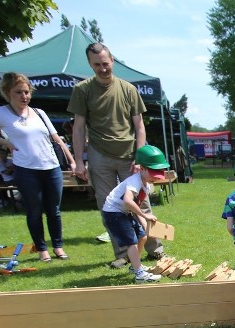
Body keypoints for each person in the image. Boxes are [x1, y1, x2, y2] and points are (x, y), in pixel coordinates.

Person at [67, 42, 164, 268]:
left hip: (130, 155)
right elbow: (78, 127)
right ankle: (122, 253)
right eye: (97, 65)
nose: (102, 68)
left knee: (142, 202)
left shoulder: (128, 89)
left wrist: (140, 158)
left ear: (112, 61)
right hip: (99, 155)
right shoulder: (82, 90)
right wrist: (79, 160)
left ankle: (155, 248)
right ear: (91, 65)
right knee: (110, 207)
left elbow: (139, 126)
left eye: (106, 63)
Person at [0, 73, 74, 262]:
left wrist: (72, 160)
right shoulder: (0, 113)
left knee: (54, 210)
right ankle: (42, 249)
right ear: (8, 93)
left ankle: (58, 247)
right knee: (34, 210)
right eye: (18, 92)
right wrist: (4, 141)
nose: (24, 96)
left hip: (51, 167)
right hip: (26, 170)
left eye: (26, 92)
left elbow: (56, 138)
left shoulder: (40, 113)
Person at [101, 145, 168, 284]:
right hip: (113, 213)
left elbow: (136, 204)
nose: (155, 177)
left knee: (142, 236)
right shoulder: (134, 181)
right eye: (153, 172)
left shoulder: (146, 185)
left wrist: (144, 223)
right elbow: (127, 201)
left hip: (123, 212)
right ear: (142, 168)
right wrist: (145, 216)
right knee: (131, 242)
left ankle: (135, 265)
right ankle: (139, 274)